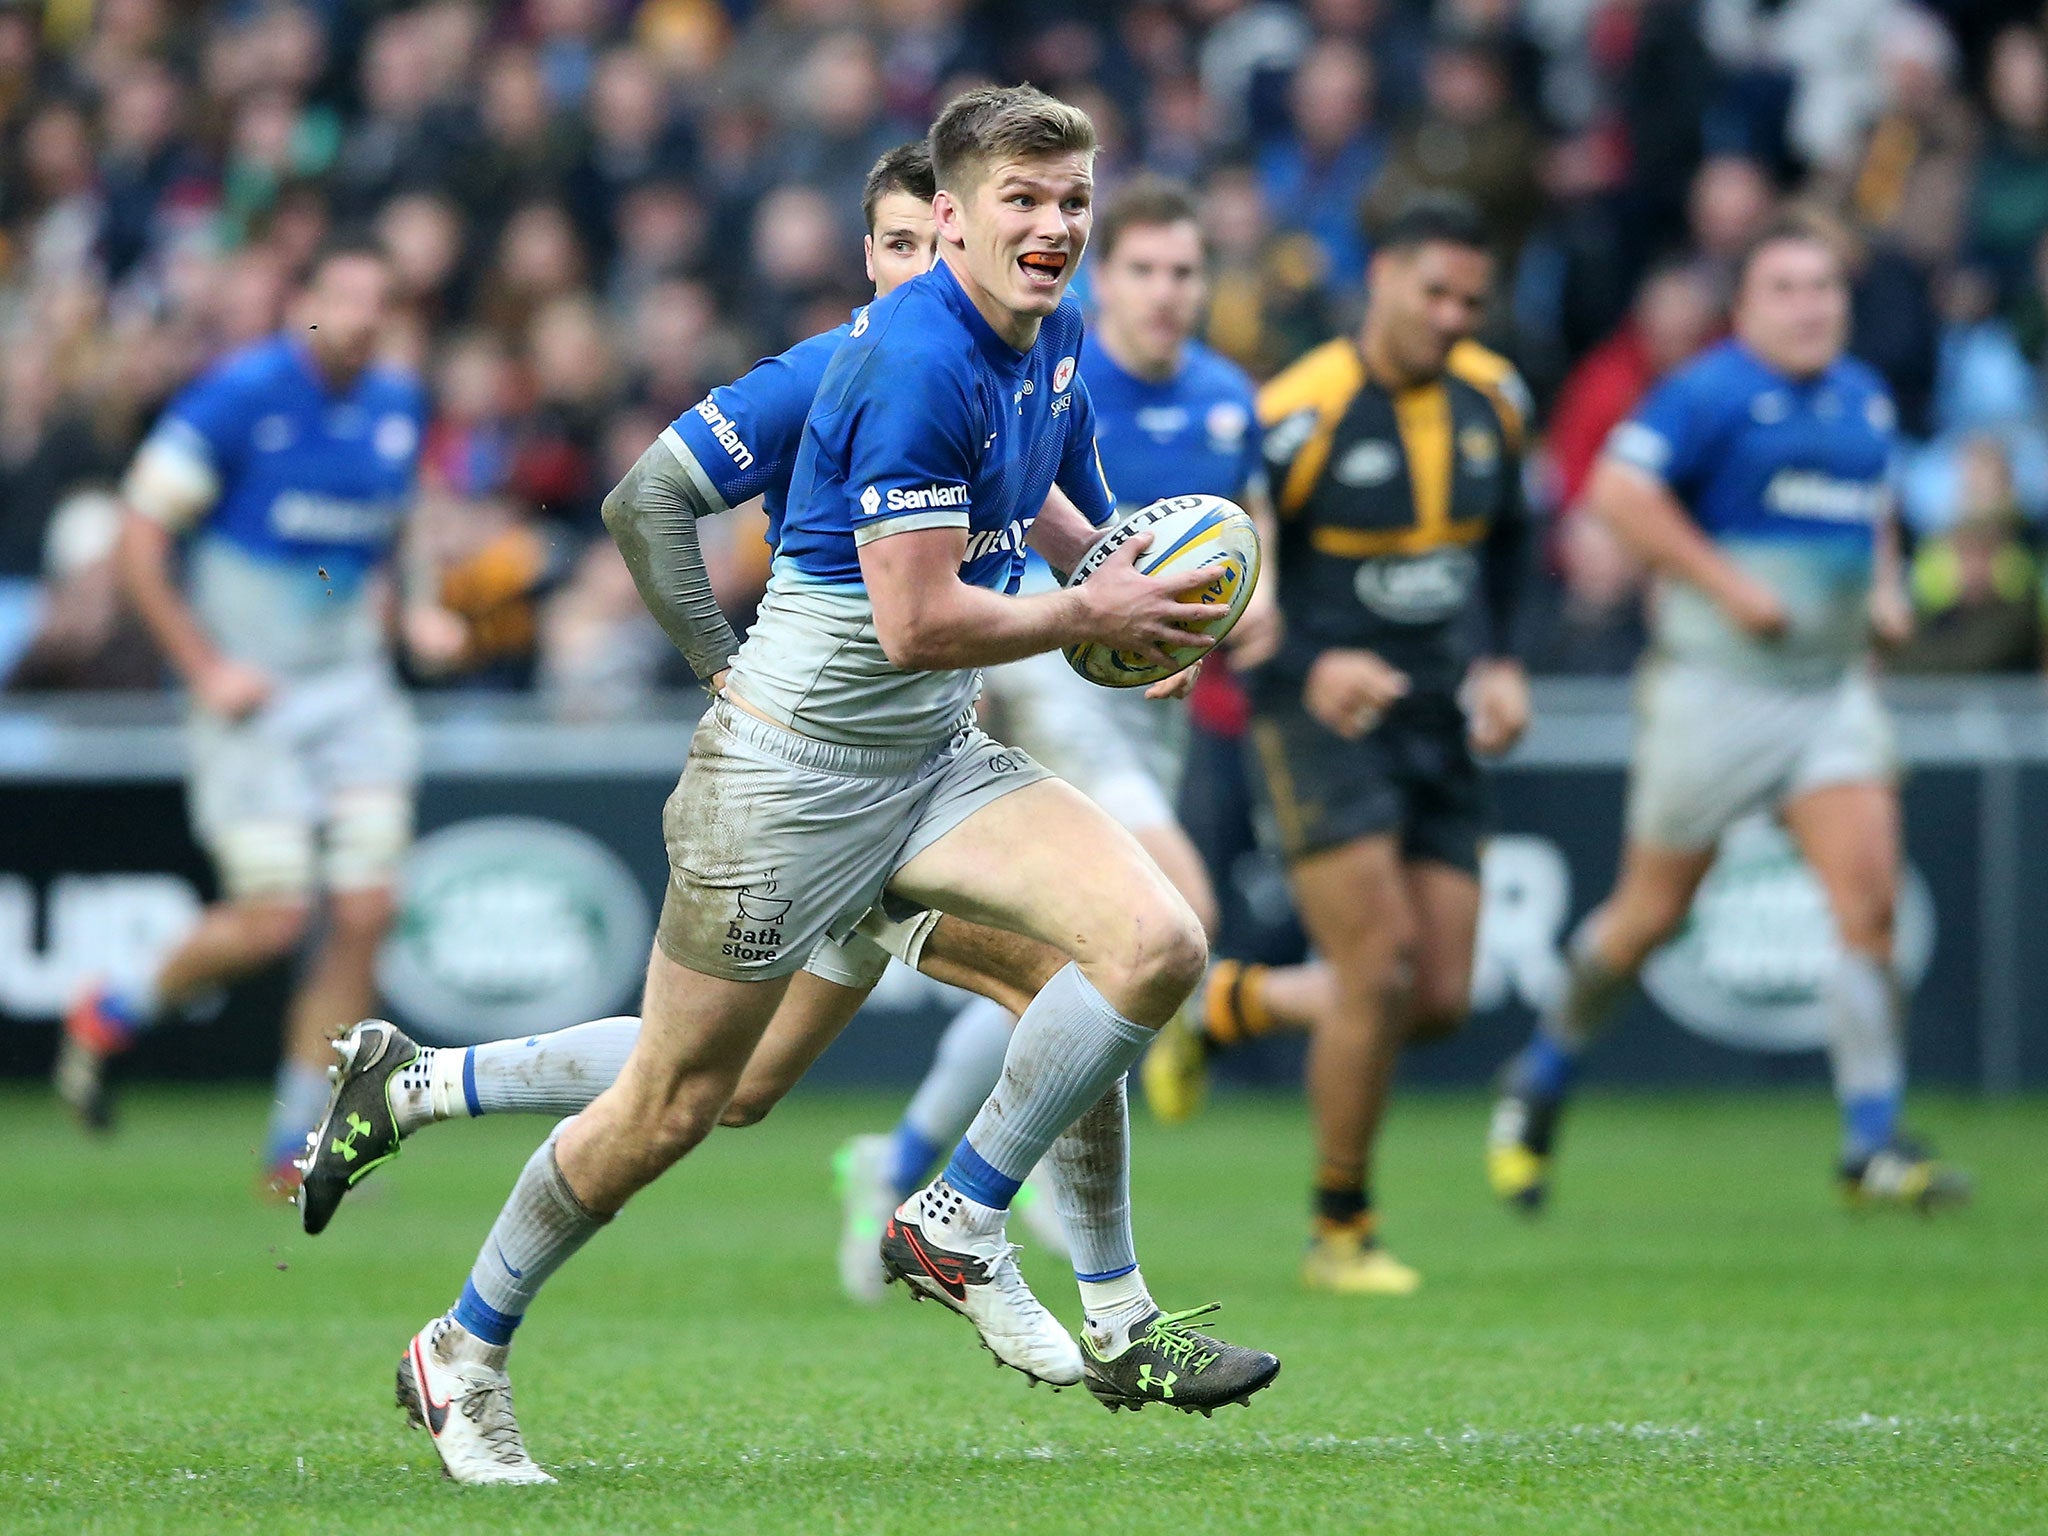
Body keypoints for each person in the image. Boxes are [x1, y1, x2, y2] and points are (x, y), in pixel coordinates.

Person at [368, 93, 1280, 1486]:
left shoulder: (1053, 338)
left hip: (927, 759)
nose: (1054, 227)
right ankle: (464, 1345)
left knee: (1150, 946)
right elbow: (916, 619)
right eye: (1023, 201)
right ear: (954, 219)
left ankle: (963, 1221)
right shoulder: (907, 363)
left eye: (1073, 199)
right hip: (790, 779)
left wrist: (1127, 593)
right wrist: (1077, 613)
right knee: (680, 1105)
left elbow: (1039, 515)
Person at [831, 174, 1281, 1303]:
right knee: (1173, 917)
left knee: (1062, 969)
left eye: (1185, 272)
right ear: (1102, 271)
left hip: (1146, 684)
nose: (1166, 292)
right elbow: (1027, 530)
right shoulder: (1055, 364)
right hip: (1055, 671)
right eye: (1143, 269)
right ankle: (979, 1193)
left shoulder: (1229, 397)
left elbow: (1238, 545)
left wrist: (1229, 608)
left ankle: (901, 1160)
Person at [1486, 215, 1971, 1217]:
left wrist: (1879, 587)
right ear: (1744, 307)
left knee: (1867, 906)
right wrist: (1722, 582)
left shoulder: (1860, 397)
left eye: (1823, 287)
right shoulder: (1708, 391)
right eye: (1785, 288)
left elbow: (1867, 510)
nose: (1809, 306)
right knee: (1642, 923)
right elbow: (1617, 493)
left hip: (1825, 694)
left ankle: (1869, 1144)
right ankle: (1539, 1072)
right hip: (1715, 692)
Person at [1149, 194, 1534, 1298]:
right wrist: (1308, 663)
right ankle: (1339, 1231)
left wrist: (1502, 659)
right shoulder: (1295, 413)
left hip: (1434, 714)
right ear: (1381, 280)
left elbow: (1511, 538)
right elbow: (1230, 582)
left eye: (1472, 298)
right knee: (1375, 970)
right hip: (1312, 718)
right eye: (1435, 293)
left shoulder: (1495, 399)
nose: (1454, 316)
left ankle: (1228, 1004)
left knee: (1442, 995)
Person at [55, 240, 460, 1190]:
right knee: (274, 919)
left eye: (377, 301)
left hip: (353, 683)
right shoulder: (237, 398)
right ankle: (111, 1007)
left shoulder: (397, 402)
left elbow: (407, 524)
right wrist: (203, 667)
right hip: (257, 690)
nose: (360, 319)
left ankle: (299, 1137)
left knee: (368, 906)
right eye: (342, 298)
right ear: (302, 304)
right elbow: (140, 536)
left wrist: (422, 605)